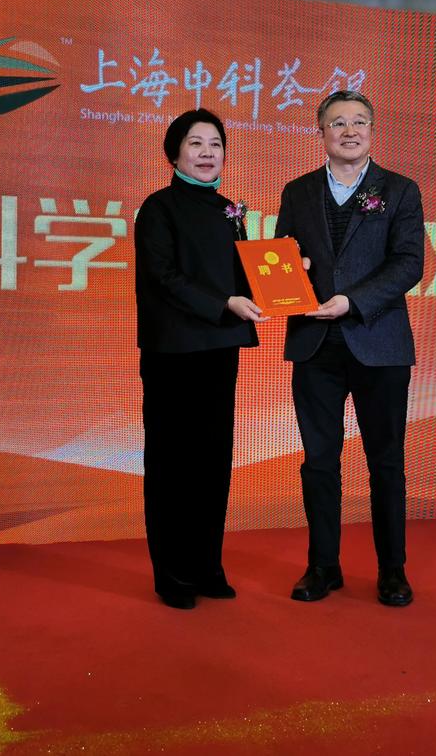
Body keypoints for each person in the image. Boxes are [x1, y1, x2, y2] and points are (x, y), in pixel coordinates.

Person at [274, 90, 424, 607]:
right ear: (320, 132)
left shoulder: (400, 190)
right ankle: (323, 566)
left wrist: (352, 301)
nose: (350, 131)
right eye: (338, 122)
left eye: (360, 121)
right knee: (319, 461)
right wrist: (292, 272)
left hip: (379, 344)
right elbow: (283, 258)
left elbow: (409, 263)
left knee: (386, 462)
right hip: (315, 345)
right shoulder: (297, 192)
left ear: (372, 132)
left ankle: (392, 570)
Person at [134, 108, 265, 609]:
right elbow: (164, 277)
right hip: (173, 350)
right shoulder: (158, 208)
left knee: (213, 459)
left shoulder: (231, 211)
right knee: (172, 462)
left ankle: (208, 565)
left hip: (219, 348)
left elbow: (243, 278)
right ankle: (172, 574)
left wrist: (286, 273)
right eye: (196, 143)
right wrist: (223, 303)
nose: (208, 153)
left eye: (216, 144)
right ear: (174, 153)